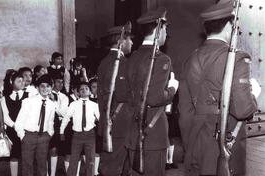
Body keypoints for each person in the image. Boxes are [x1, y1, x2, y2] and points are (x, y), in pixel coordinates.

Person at [178, 1, 258, 176]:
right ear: (229, 25)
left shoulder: (189, 60)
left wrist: (190, 145)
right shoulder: (237, 58)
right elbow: (243, 110)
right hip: (226, 146)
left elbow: (184, 112)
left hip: (197, 143)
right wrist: (254, 95)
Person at [125, 8, 179, 176]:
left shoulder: (132, 57)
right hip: (153, 134)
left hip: (133, 131)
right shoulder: (162, 59)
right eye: (165, 29)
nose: (166, 33)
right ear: (158, 30)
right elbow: (155, 98)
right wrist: (172, 89)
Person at [97, 21, 134, 176]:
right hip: (119, 124)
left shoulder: (105, 61)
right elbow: (122, 94)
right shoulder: (120, 63)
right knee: (112, 167)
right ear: (120, 41)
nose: (131, 42)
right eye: (129, 39)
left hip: (111, 120)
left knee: (113, 165)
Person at [14, 74, 56, 176]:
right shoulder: (28, 102)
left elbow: (51, 121)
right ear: (37, 88)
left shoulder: (51, 104)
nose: (45, 89)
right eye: (42, 86)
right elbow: (19, 122)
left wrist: (50, 133)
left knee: (42, 164)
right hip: (28, 136)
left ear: (51, 88)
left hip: (44, 137)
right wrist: (22, 136)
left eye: (48, 86)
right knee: (27, 164)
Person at [60, 81, 100, 176]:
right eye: (81, 89)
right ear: (78, 92)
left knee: (90, 159)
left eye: (86, 88)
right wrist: (61, 132)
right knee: (74, 158)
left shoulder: (94, 105)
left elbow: (100, 119)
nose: (84, 90)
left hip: (90, 135)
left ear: (90, 92)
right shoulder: (73, 104)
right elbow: (66, 118)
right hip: (77, 136)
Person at [0, 70, 27, 176]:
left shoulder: (29, 96)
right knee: (14, 155)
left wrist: (23, 127)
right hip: (13, 130)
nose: (22, 83)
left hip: (26, 130)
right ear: (11, 81)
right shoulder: (4, 98)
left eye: (23, 81)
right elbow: (5, 117)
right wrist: (16, 126)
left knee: (27, 155)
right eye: (19, 81)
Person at [48, 73, 69, 176]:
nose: (60, 84)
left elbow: (63, 113)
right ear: (53, 83)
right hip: (48, 124)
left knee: (55, 149)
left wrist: (53, 102)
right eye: (58, 82)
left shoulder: (64, 97)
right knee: (47, 150)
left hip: (58, 126)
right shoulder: (46, 93)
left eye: (62, 82)